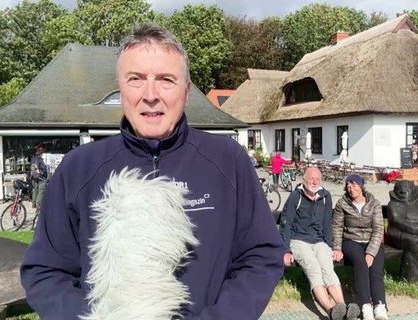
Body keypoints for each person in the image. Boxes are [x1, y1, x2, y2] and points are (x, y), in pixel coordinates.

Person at [20, 24, 285, 320]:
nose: (150, 95)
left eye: (165, 80)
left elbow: (261, 256)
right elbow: (44, 270)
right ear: (121, 88)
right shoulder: (79, 168)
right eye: (136, 79)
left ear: (186, 92)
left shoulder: (227, 160)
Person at [279, 166, 360, 320]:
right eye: (311, 178)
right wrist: (285, 250)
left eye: (317, 179)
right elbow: (285, 223)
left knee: (328, 269)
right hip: (299, 240)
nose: (315, 182)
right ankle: (330, 311)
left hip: (319, 241)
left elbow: (327, 224)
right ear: (304, 180)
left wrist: (333, 247)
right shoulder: (296, 196)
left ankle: (343, 307)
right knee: (314, 269)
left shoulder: (325, 196)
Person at [332, 175, 388, 320]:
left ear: (361, 186)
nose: (351, 189)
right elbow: (337, 227)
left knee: (375, 269)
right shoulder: (342, 204)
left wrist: (370, 252)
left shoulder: (374, 203)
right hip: (352, 240)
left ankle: (379, 305)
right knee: (361, 263)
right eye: (348, 186)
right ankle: (365, 305)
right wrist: (337, 247)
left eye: (354, 185)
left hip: (372, 241)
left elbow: (378, 229)